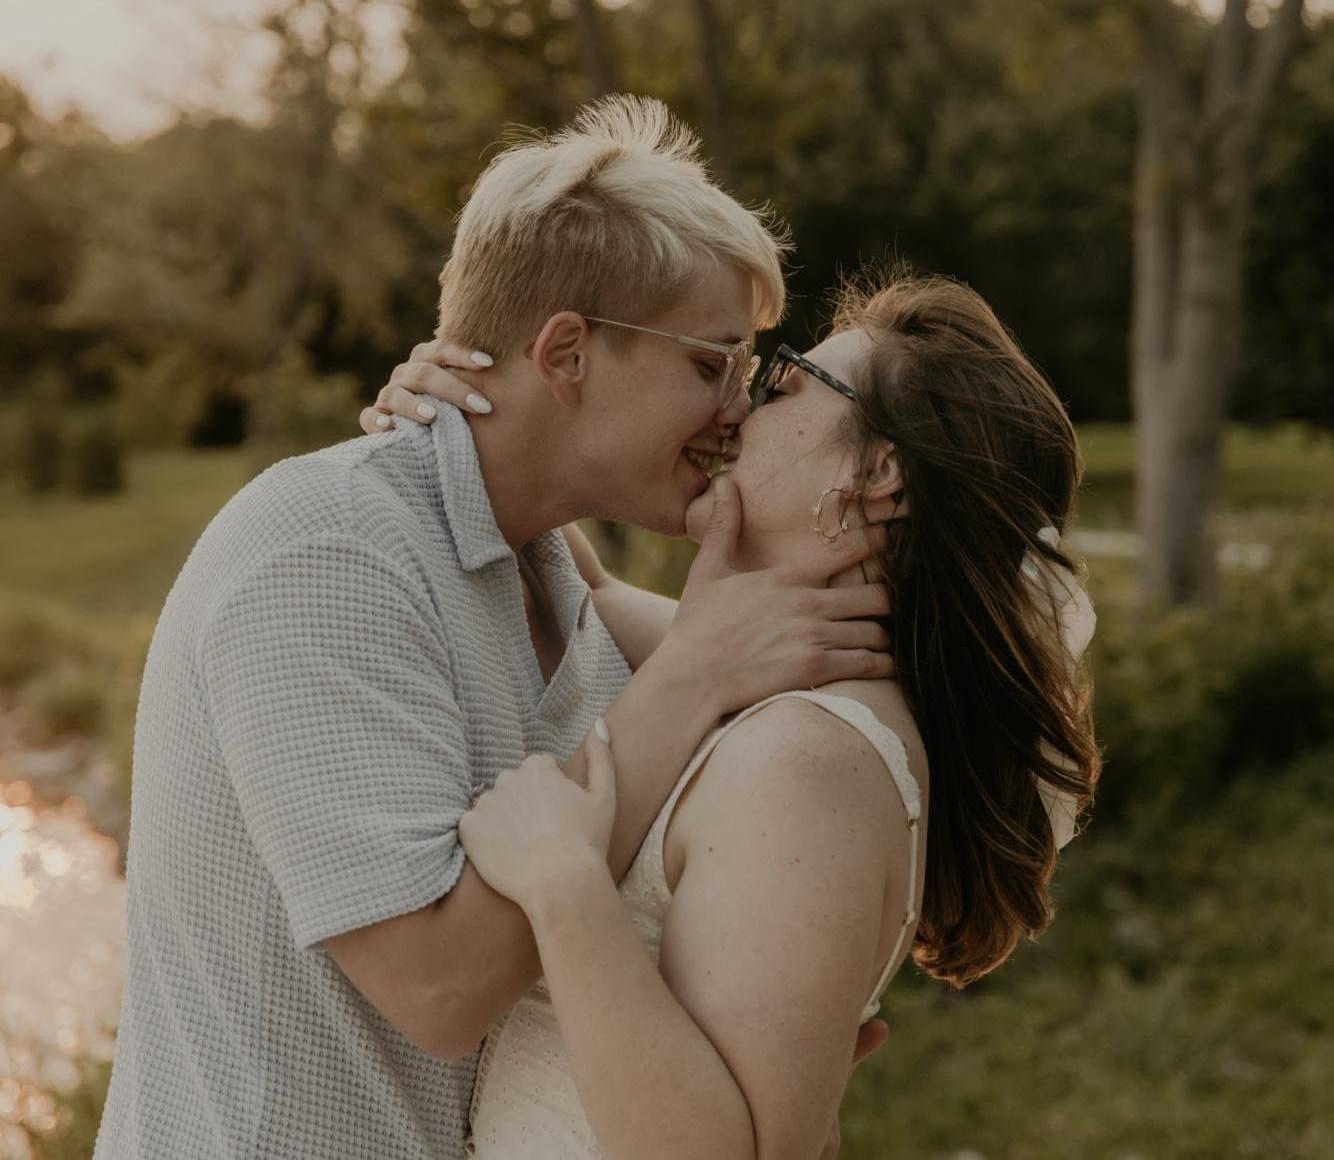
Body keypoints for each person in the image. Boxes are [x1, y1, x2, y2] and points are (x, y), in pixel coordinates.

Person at [92, 96, 894, 1160]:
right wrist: (691, 676)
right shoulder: (325, 552)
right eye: (710, 364)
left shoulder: (553, 574)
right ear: (565, 353)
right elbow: (437, 988)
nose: (737, 411)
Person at [361, 271, 1101, 1159]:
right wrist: (463, 411)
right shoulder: (776, 670)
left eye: (784, 382)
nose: (739, 409)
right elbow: (581, 587)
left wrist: (564, 886)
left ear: (877, 473)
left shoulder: (802, 755)